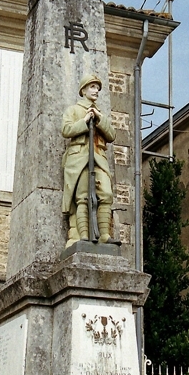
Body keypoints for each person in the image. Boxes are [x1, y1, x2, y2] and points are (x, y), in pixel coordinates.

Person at [61, 74, 120, 247]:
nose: (96, 91)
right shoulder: (73, 110)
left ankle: (104, 235)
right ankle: (83, 236)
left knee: (106, 194)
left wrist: (99, 119)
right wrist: (85, 121)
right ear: (84, 90)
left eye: (98, 88)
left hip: (99, 159)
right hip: (79, 159)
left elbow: (111, 135)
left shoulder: (101, 114)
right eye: (93, 87)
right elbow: (66, 129)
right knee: (83, 198)